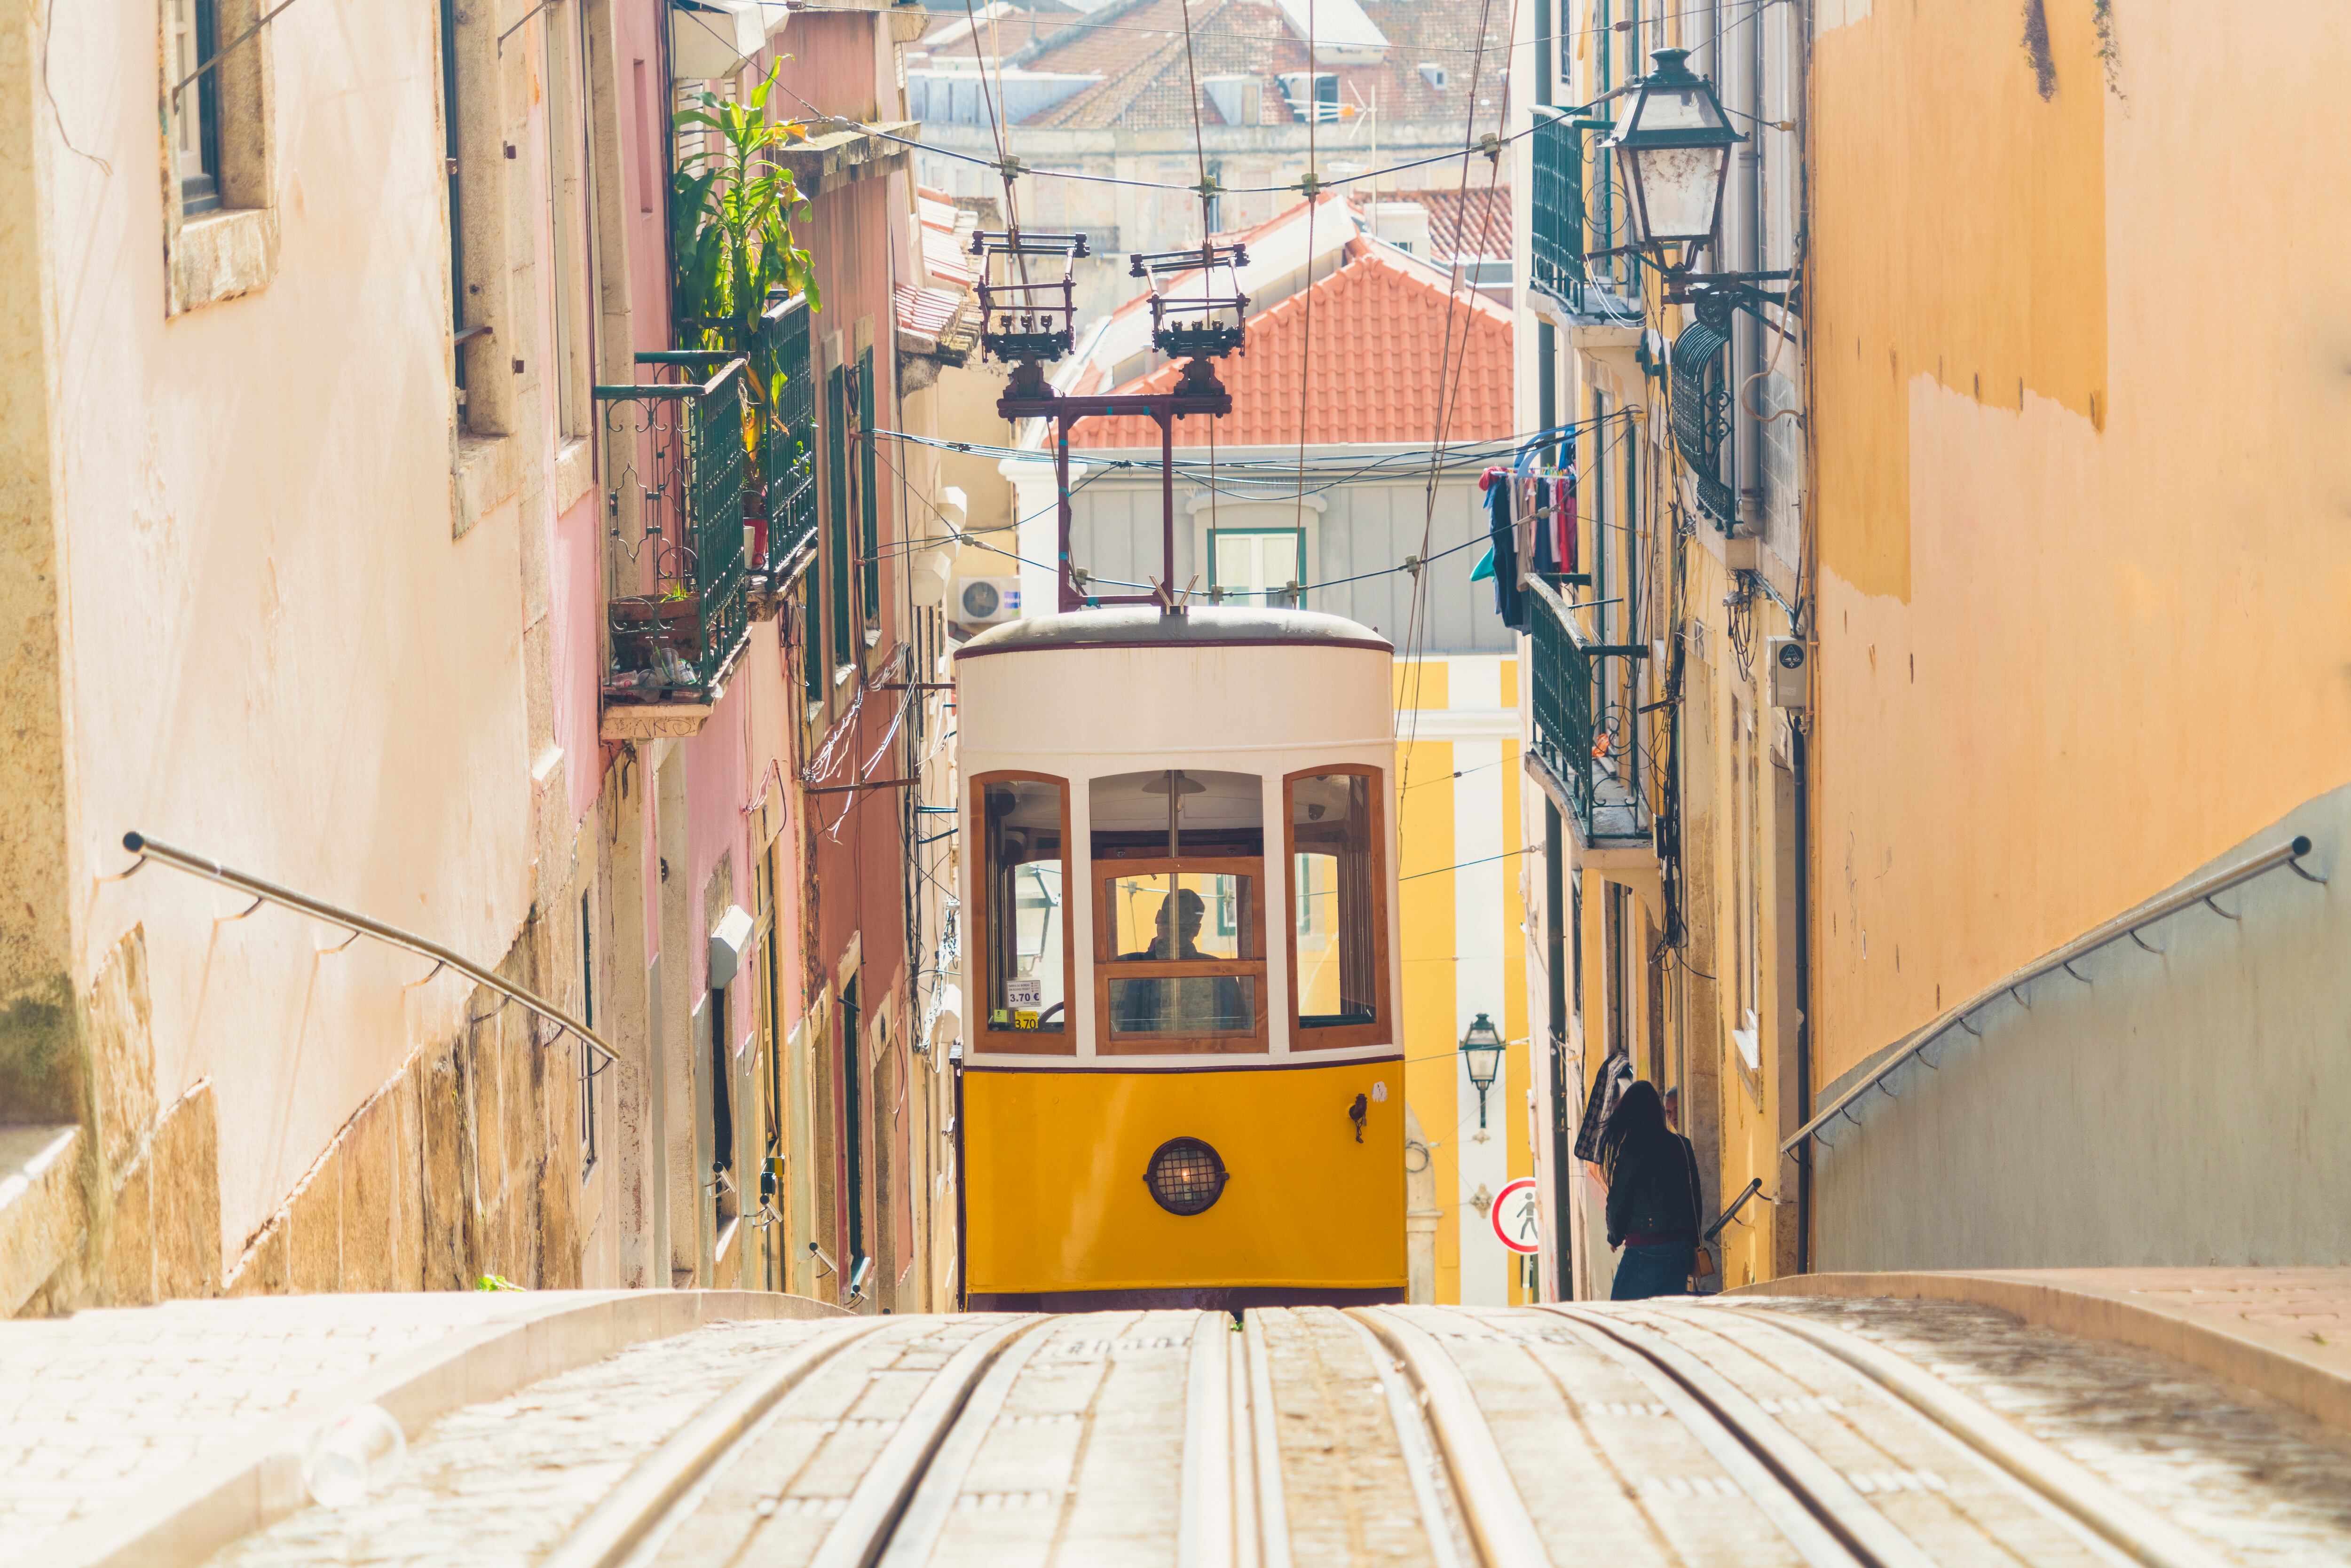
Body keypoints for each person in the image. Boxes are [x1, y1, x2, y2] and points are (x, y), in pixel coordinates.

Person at [1600, 1080, 1704, 1300]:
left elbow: (1618, 1201)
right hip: (1681, 1249)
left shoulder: (1630, 1151)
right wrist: (1695, 1243)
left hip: (1646, 1249)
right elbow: (1695, 1198)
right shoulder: (1682, 1145)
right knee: (1665, 1315)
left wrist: (1614, 1237)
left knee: (1620, 1312)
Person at [1113, 888, 1247, 1035]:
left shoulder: (1124, 968)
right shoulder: (1221, 974)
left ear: (1158, 917)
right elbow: (1239, 1033)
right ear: (1197, 929)